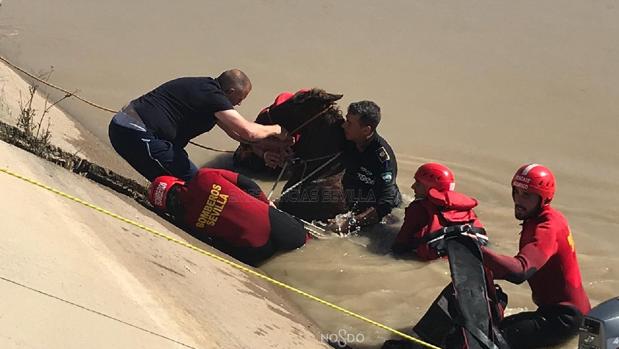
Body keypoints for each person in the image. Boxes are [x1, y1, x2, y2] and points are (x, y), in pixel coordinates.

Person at [480, 163, 591, 348]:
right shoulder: (539, 218)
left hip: (564, 319)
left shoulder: (546, 228)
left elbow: (520, 271)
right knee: (496, 330)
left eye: (527, 195)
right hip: (561, 311)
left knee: (491, 340)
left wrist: (476, 250)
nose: (518, 199)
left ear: (543, 198)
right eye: (516, 191)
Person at [109, 69, 289, 181]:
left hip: (129, 129)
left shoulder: (205, 92)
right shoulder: (212, 96)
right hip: (134, 133)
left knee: (185, 172)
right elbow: (248, 131)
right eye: (239, 99)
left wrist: (265, 151)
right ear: (231, 91)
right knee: (193, 181)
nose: (238, 104)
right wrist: (277, 129)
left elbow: (237, 135)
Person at [148, 168, 308, 266]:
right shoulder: (205, 176)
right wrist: (263, 204)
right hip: (278, 225)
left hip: (254, 251)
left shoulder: (186, 222)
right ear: (178, 182)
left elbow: (216, 242)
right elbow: (250, 185)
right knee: (305, 239)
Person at [329, 100, 401, 232]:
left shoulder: (383, 158)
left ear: (366, 130)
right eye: (346, 120)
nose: (344, 126)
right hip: (352, 197)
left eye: (350, 123)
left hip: (377, 209)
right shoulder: (348, 139)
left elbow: (386, 201)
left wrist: (351, 223)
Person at [391, 162, 486, 260]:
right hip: (473, 248)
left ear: (429, 187)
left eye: (418, 183)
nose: (413, 186)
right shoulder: (464, 206)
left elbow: (401, 243)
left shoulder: (417, 208)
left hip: (436, 254)